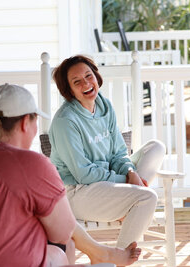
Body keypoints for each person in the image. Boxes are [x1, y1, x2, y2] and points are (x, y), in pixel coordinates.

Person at [0, 83, 141, 267]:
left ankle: (102, 253)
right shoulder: (30, 163)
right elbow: (62, 234)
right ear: (26, 122)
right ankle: (102, 253)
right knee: (64, 246)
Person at [49, 55, 165, 249]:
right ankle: (120, 257)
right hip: (77, 192)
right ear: (68, 90)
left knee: (156, 148)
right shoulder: (65, 121)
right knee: (147, 197)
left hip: (107, 184)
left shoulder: (104, 105)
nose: (86, 83)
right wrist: (128, 182)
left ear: (96, 75)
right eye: (77, 81)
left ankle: (127, 206)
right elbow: (84, 174)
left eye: (89, 75)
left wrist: (131, 173)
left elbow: (119, 153)